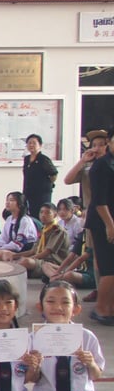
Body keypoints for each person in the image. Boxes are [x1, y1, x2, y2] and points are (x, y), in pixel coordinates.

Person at [86, 127, 114, 325]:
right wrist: (110, 225)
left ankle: (110, 308)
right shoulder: (101, 165)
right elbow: (99, 201)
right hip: (103, 222)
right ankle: (101, 309)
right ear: (109, 142)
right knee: (109, 268)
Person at [9, 202, 69, 278]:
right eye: (41, 212)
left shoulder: (58, 231)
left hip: (51, 263)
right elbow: (33, 251)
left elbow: (47, 252)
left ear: (55, 215)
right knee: (10, 258)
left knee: (25, 262)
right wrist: (15, 256)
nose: (43, 215)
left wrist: (28, 258)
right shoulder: (44, 230)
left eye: (48, 213)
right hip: (39, 260)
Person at [0, 192, 38, 261]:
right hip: (12, 247)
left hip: (25, 249)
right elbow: (3, 240)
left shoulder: (24, 220)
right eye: (7, 200)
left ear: (20, 204)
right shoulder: (9, 219)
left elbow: (18, 244)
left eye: (11, 200)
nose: (7, 203)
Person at [62, 129, 108, 207]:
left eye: (101, 145)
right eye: (94, 145)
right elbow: (67, 180)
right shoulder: (87, 165)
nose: (97, 148)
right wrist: (82, 161)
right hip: (89, 208)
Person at [21, 133, 58, 217]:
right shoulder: (26, 159)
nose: (31, 145)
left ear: (40, 145)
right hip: (28, 192)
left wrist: (46, 184)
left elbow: (53, 174)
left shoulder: (43, 159)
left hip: (41, 194)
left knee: (40, 214)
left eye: (34, 143)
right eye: (29, 143)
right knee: (29, 214)